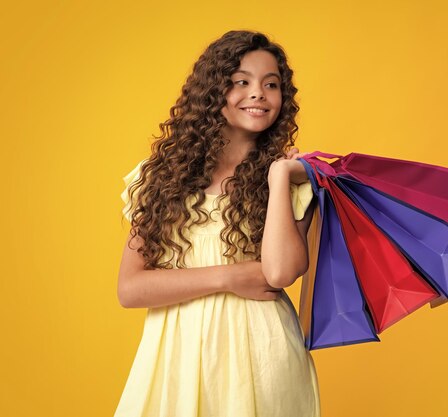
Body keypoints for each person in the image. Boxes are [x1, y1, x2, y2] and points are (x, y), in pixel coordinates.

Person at [113, 30, 320, 417]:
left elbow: (280, 272)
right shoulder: (160, 179)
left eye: (270, 84)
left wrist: (278, 180)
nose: (258, 93)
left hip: (263, 357)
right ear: (212, 92)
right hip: (176, 357)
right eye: (241, 81)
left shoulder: (293, 180)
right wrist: (229, 277)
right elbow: (130, 288)